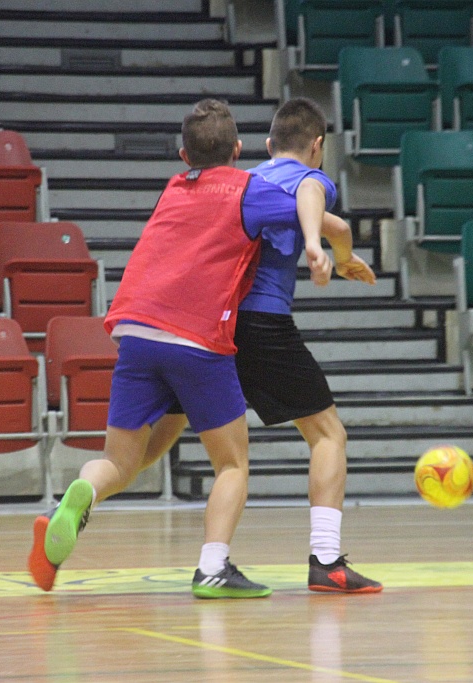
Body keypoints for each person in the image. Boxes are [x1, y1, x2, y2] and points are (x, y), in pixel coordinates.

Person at [27, 98, 333, 599]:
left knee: (123, 463)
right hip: (196, 340)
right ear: (238, 149)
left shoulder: (173, 189)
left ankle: (79, 494)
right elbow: (307, 194)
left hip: (135, 333)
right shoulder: (247, 190)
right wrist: (319, 244)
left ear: (181, 155)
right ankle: (213, 568)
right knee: (232, 464)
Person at [144, 97, 384, 594]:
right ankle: (327, 560)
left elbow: (333, 226)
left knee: (156, 441)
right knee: (327, 435)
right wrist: (322, 251)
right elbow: (315, 200)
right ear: (317, 146)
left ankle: (94, 489)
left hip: (211, 325)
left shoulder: (244, 179)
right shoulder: (310, 179)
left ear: (266, 145)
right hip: (263, 324)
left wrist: (339, 252)